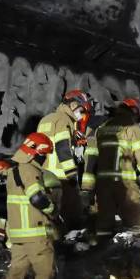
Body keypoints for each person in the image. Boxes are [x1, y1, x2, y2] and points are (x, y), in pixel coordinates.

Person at [0, 132, 58, 279]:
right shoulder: (30, 170)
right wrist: (53, 210)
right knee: (44, 272)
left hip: (18, 235)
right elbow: (37, 197)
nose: (44, 159)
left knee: (15, 274)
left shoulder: (12, 171)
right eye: (44, 155)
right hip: (35, 233)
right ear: (36, 153)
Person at [86, 97, 140, 239]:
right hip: (124, 183)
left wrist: (88, 186)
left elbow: (91, 157)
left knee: (104, 223)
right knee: (136, 221)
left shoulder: (101, 129)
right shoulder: (133, 129)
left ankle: (102, 252)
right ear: (134, 111)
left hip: (102, 183)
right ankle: (134, 253)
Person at [37, 89, 92, 228]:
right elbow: (62, 148)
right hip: (63, 178)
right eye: (82, 110)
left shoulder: (46, 119)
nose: (82, 115)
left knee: (51, 216)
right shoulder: (64, 120)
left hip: (45, 176)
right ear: (73, 104)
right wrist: (72, 175)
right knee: (74, 215)